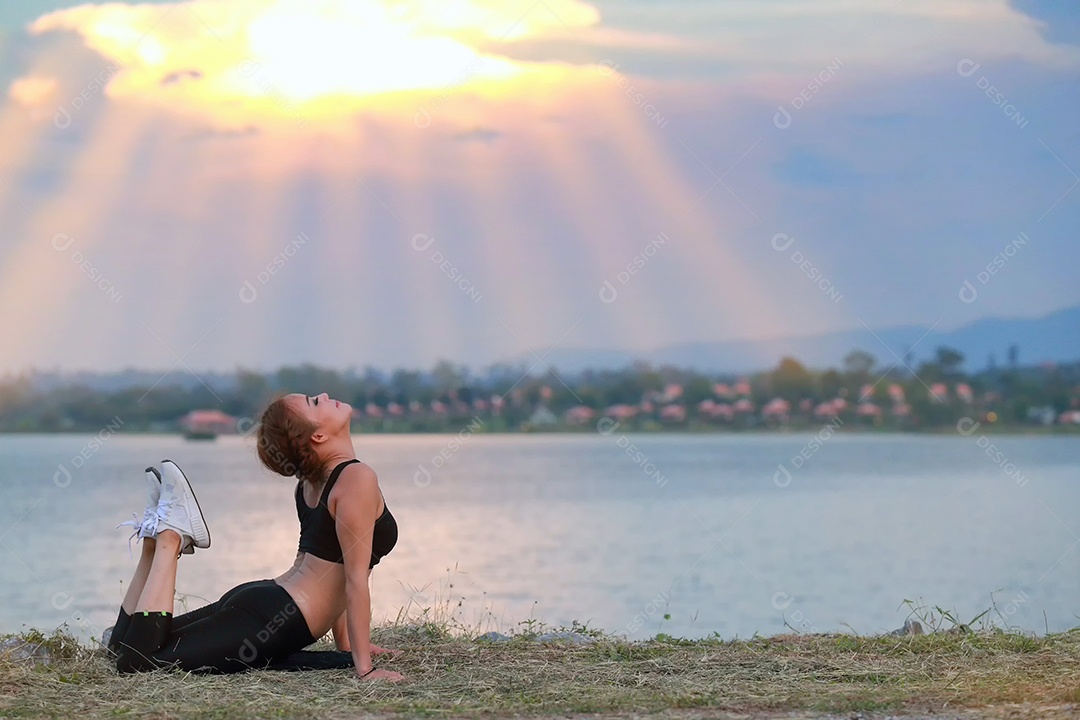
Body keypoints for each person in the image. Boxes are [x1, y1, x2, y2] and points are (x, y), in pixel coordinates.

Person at [106, 392, 405, 682]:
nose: (325, 395)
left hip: (266, 601)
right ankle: (170, 538)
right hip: (276, 619)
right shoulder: (355, 479)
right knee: (138, 662)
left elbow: (336, 570)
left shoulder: (312, 483)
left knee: (123, 647)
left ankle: (152, 544)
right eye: (315, 402)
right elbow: (353, 581)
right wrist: (364, 669)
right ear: (318, 436)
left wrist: (348, 647)